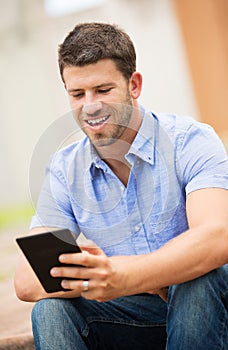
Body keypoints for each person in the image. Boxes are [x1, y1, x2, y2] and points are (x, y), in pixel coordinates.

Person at [14, 22, 228, 350]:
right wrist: (103, 277)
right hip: (135, 315)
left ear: (134, 84)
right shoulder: (63, 171)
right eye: (77, 94)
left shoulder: (190, 141)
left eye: (103, 90)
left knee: (197, 278)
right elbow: (28, 280)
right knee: (51, 309)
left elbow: (217, 238)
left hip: (211, 311)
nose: (90, 106)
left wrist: (126, 273)